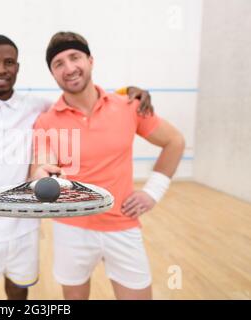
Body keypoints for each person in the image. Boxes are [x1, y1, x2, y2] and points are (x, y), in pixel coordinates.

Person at [0, 34, 154, 300]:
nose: (0, 69)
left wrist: (125, 92)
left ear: (17, 68)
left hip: (24, 232)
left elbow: (76, 97)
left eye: (8, 62)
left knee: (19, 292)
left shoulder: (35, 107)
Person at [30, 31, 185, 300]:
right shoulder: (47, 121)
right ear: (53, 75)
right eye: (58, 64)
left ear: (90, 60)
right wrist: (42, 175)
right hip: (72, 229)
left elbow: (174, 141)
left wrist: (153, 192)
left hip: (122, 225)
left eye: (74, 57)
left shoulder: (129, 106)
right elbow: (41, 165)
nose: (69, 68)